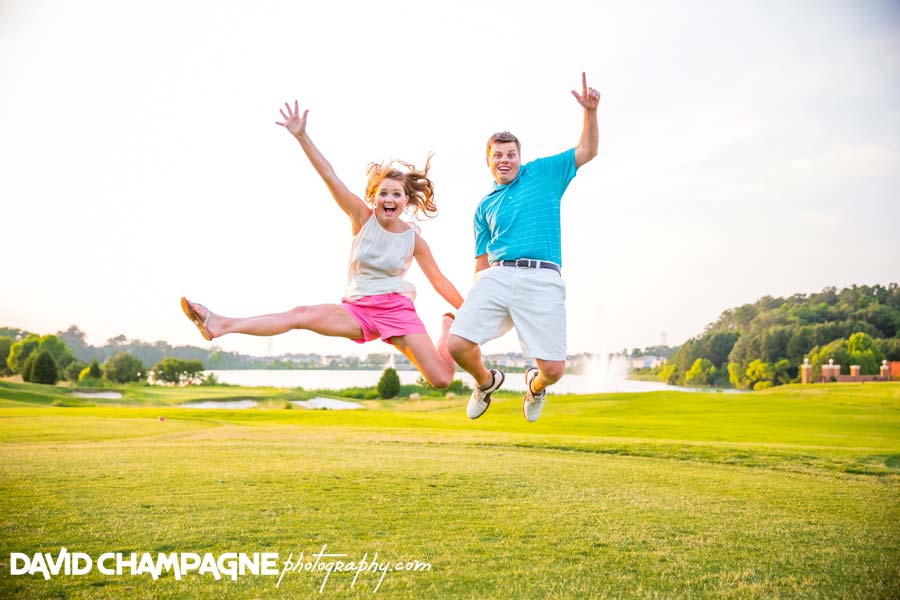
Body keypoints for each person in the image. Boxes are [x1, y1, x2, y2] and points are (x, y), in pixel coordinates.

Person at [181, 100, 462, 388]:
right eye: (383, 194)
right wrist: (302, 136)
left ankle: (447, 328)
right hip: (358, 309)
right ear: (374, 197)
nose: (388, 200)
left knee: (441, 379)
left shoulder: (414, 240)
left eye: (396, 195)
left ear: (406, 200)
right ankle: (220, 324)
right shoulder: (361, 217)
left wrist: (470, 309)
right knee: (299, 315)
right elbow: (330, 175)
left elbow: (439, 282)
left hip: (396, 310)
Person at [447, 73, 601, 422]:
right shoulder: (483, 205)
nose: (505, 160)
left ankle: (534, 385)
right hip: (496, 277)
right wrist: (477, 295)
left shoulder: (544, 173)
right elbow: (480, 260)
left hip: (542, 278)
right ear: (489, 161)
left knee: (555, 369)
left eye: (511, 154)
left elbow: (587, 150)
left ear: (520, 156)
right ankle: (486, 382)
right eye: (498, 155)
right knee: (456, 345)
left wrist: (589, 112)